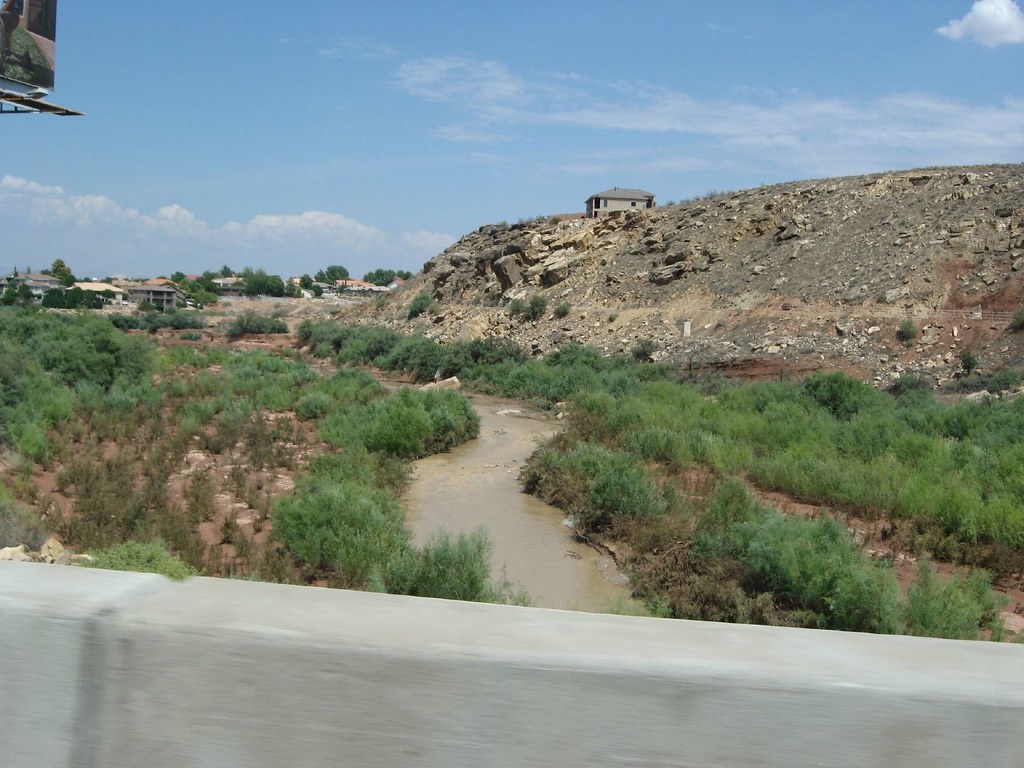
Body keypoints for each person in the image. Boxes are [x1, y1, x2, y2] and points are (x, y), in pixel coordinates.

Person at [0, 0, 23, 75]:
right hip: (12, 14)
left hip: (8, 14)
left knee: (3, 36)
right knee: (6, 36)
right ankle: (6, 56)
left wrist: (2, 11)